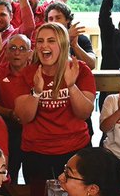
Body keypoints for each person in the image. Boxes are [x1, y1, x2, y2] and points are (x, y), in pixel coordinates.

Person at [14, 22, 97, 184]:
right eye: (40, 41)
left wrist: (71, 86)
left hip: (75, 150)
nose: (44, 45)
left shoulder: (80, 70)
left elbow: (84, 113)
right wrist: (37, 92)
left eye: (51, 41)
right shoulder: (28, 73)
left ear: (63, 44)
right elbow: (24, 117)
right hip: (36, 152)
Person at [0, 34, 35, 181]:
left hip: (33, 130)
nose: (17, 53)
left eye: (22, 49)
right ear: (6, 52)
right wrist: (10, 113)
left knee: (33, 177)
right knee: (8, 174)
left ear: (30, 53)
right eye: (12, 48)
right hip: (6, 128)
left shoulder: (37, 73)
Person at [43, 2, 96, 69]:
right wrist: (67, 38)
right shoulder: (43, 40)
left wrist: (75, 45)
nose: (54, 21)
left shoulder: (80, 38)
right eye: (50, 19)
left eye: (58, 18)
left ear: (67, 19)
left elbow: (91, 65)